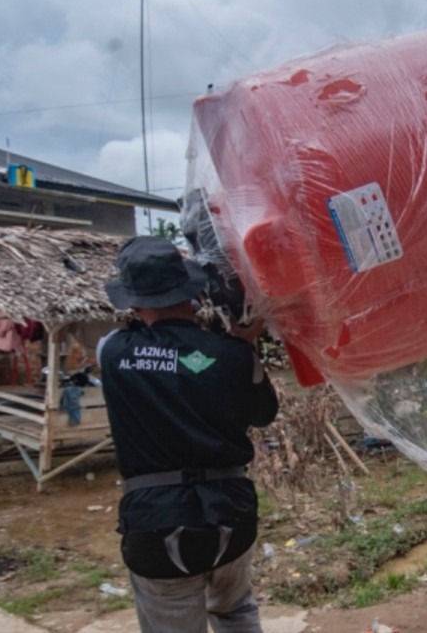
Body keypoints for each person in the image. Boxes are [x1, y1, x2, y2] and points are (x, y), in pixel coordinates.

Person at [97, 236, 280, 633]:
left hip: (157, 522)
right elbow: (264, 414)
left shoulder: (112, 352)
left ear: (133, 303)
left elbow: (149, 354)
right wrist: (245, 346)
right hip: (229, 516)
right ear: (192, 293)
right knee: (235, 611)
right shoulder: (233, 354)